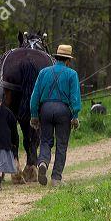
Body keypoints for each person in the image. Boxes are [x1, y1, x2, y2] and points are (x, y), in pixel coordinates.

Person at [30, 45, 82, 187]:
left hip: (45, 110)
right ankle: (56, 178)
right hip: (63, 112)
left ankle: (42, 163)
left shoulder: (43, 72)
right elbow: (75, 98)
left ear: (56, 58)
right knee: (61, 144)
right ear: (68, 61)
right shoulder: (72, 74)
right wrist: (75, 115)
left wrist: (34, 114)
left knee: (45, 141)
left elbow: (35, 97)